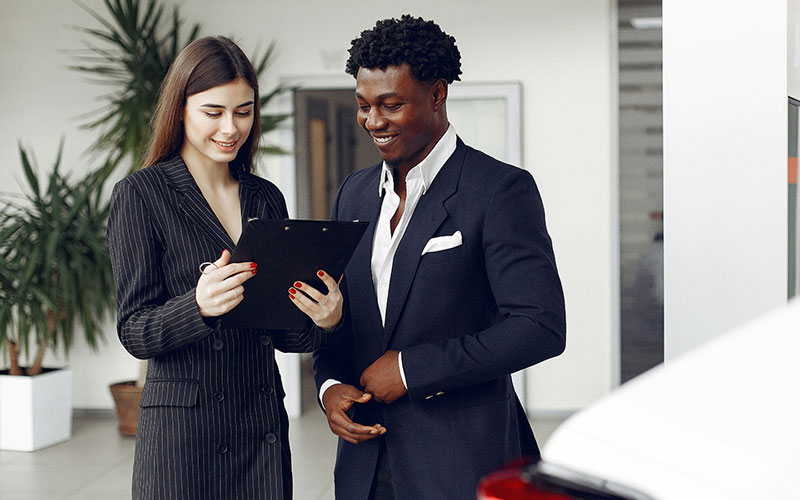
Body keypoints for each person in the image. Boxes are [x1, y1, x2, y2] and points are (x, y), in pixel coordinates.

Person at [311, 15, 567, 500]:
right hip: (364, 465)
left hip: (458, 462)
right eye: (363, 106)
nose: (373, 121)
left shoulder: (499, 190)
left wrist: (411, 369)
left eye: (391, 105)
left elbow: (540, 327)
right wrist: (329, 387)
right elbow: (341, 314)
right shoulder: (353, 194)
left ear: (437, 94)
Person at [106, 36, 342, 500]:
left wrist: (324, 319)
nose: (231, 128)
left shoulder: (265, 197)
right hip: (184, 436)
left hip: (259, 425)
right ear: (180, 110)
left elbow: (284, 333)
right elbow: (134, 331)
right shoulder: (141, 194)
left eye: (243, 112)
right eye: (213, 112)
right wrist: (197, 305)